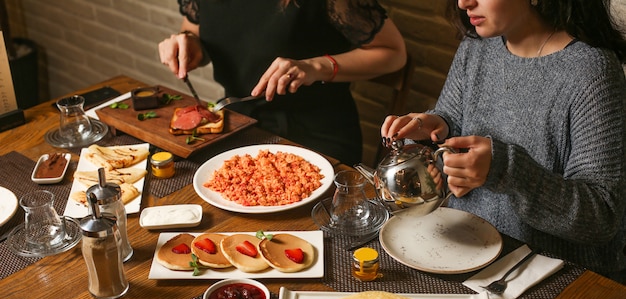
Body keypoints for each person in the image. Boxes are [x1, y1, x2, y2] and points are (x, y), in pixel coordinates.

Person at [381, 0, 626, 281]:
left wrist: (505, 168)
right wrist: (435, 124)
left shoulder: (592, 72)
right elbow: (456, 117)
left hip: (554, 275)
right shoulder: (476, 46)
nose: (464, 3)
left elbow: (600, 217)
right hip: (465, 250)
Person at [159, 0, 407, 166]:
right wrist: (187, 44)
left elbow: (394, 53)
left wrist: (315, 66)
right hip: (239, 125)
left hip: (315, 131)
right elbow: (195, 35)